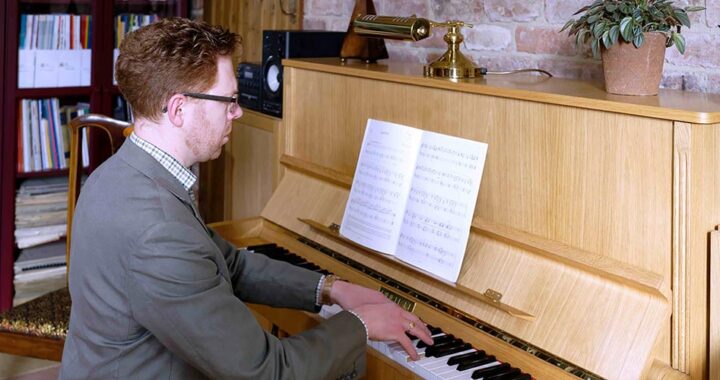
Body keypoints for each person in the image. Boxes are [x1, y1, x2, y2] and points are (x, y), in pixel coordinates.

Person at [59, 17, 432, 380]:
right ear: (178, 109)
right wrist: (362, 324)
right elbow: (269, 371)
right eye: (230, 100)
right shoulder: (159, 232)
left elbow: (229, 264)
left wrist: (330, 289)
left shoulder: (122, 172)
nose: (238, 113)